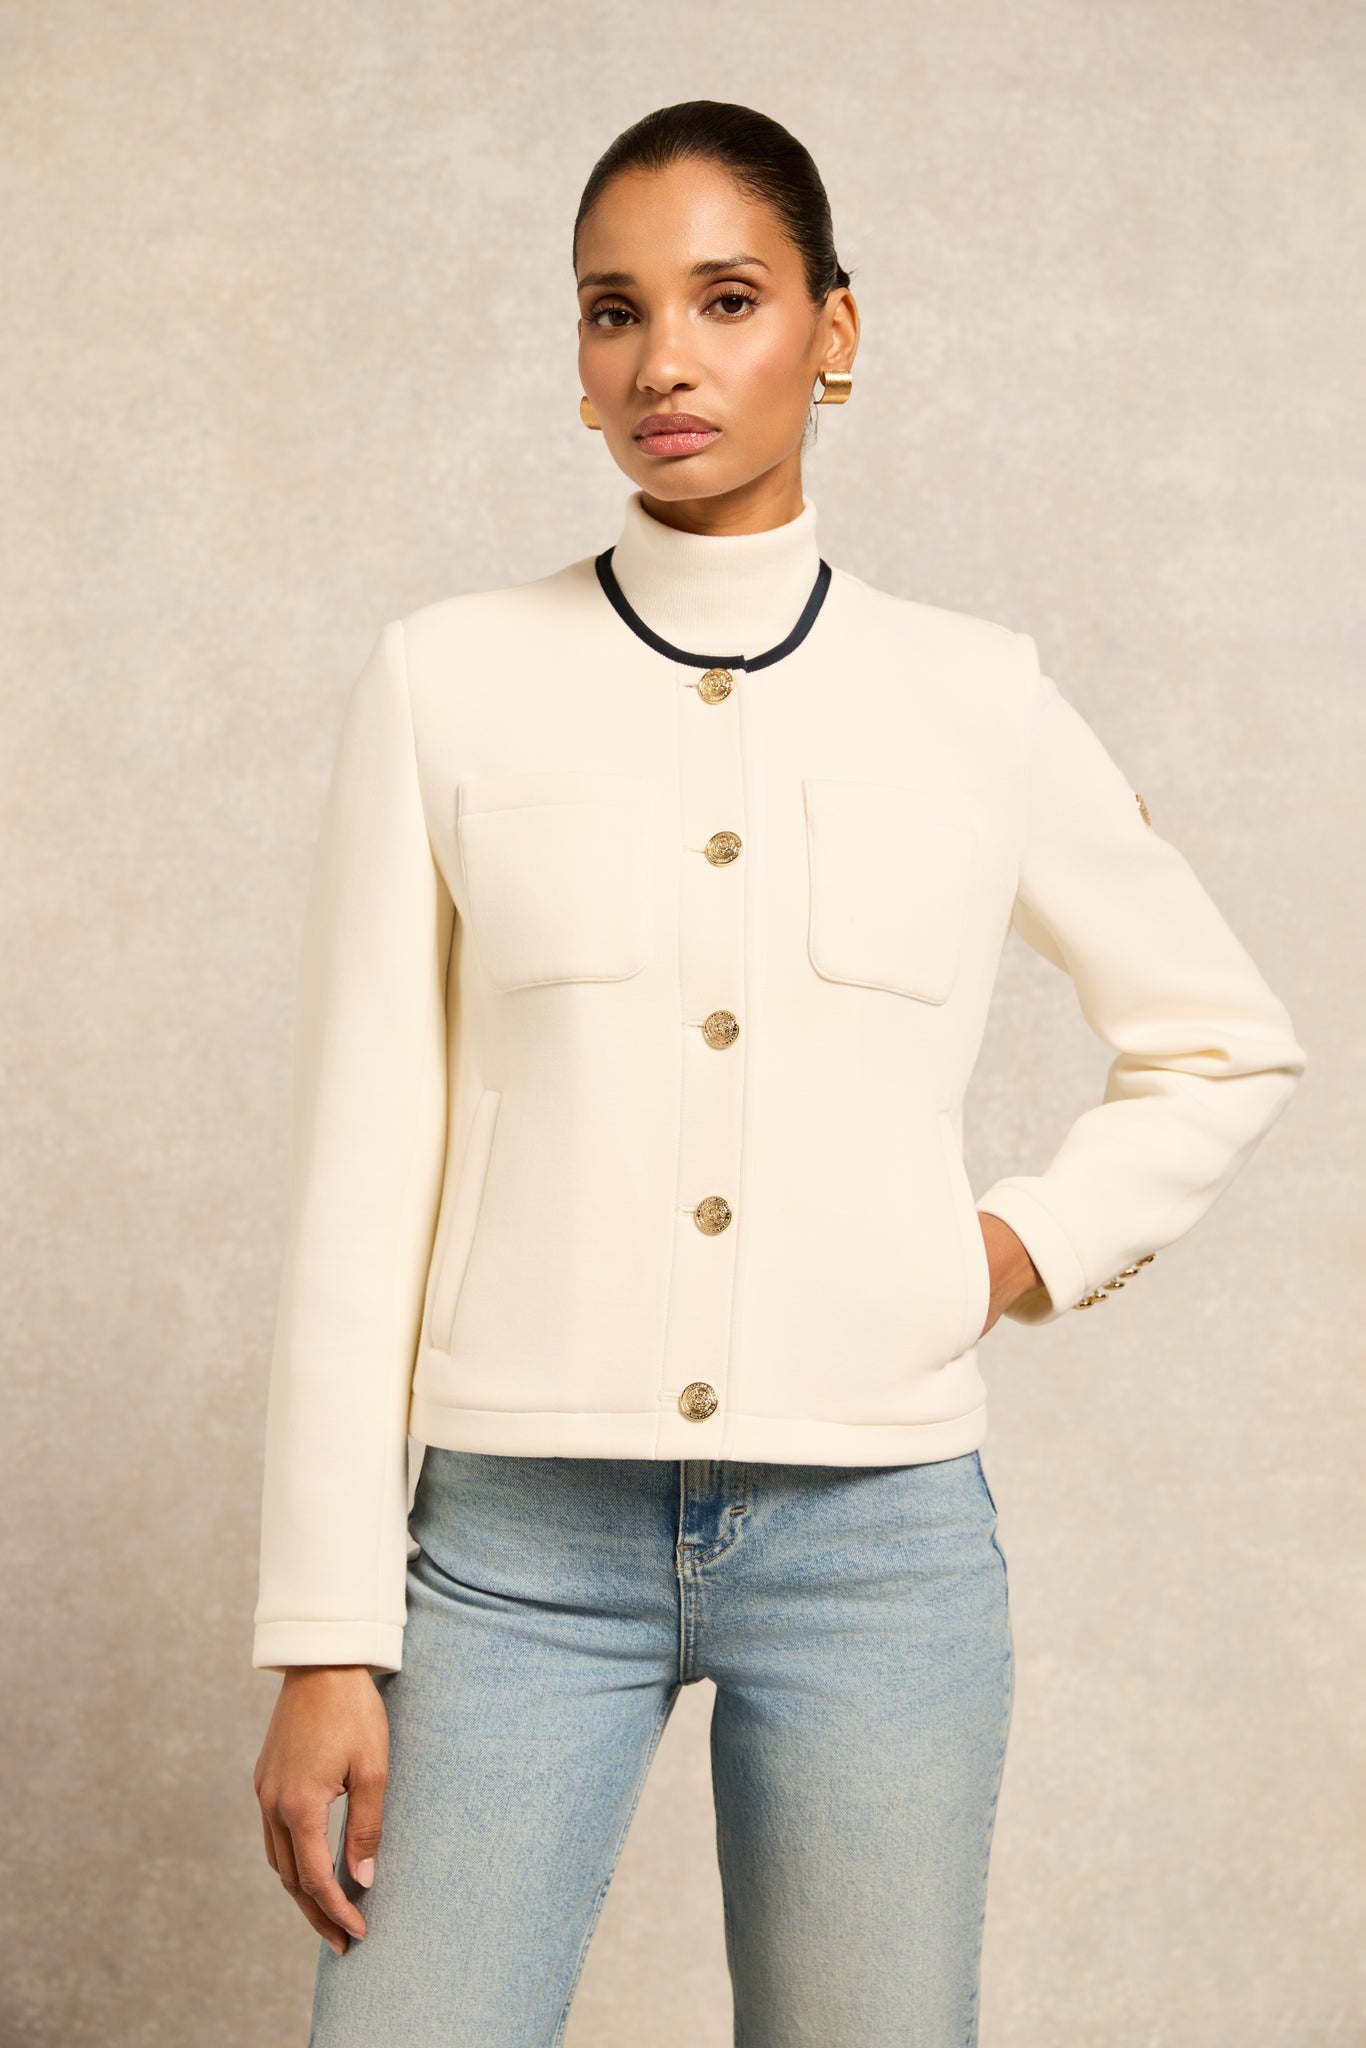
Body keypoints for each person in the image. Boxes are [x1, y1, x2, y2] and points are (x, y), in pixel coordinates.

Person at [251, 100, 1308, 2048]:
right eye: (613, 311)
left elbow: (1221, 1035)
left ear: (832, 329)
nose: (663, 359)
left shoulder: (973, 695)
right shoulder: (446, 681)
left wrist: (1004, 1250)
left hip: (875, 1548)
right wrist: (323, 1635)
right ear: (578, 358)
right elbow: (359, 1177)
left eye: (724, 299)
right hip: (508, 1547)